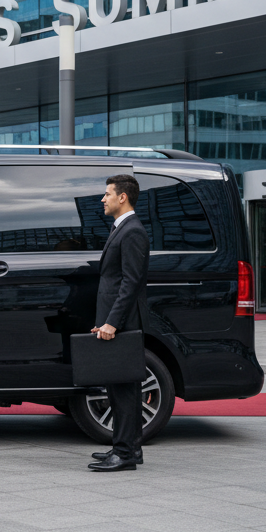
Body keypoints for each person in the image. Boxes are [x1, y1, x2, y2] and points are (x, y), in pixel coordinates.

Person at [89, 174, 150, 473]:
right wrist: (104, 321)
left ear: (122, 197)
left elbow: (131, 283)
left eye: (107, 194)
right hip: (114, 320)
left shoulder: (133, 231)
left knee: (124, 390)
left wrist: (112, 323)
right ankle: (128, 448)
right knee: (119, 388)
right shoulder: (122, 229)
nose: (103, 199)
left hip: (123, 323)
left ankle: (124, 453)